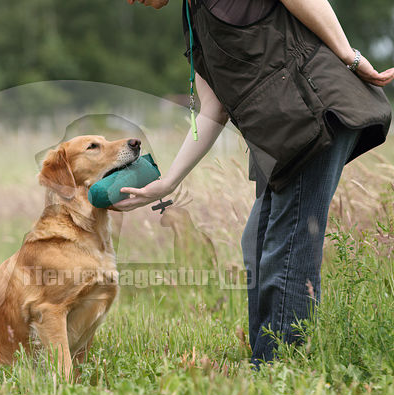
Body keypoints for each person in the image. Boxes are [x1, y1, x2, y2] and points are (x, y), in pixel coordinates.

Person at [117, 0, 394, 365]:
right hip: (281, 132)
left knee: (286, 245)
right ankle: (269, 360)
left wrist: (350, 55)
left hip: (314, 113)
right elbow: (213, 109)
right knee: (257, 242)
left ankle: (279, 369)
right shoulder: (193, 15)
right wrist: (168, 182)